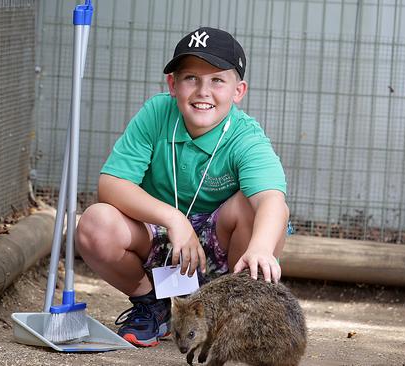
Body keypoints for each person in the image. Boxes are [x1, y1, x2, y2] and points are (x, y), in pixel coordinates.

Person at [76, 27, 289, 347]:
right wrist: (173, 219)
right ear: (173, 85)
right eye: (191, 78)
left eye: (217, 80)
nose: (203, 90)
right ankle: (153, 305)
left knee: (253, 208)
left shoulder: (245, 136)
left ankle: (230, 313)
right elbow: (111, 184)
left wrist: (259, 247)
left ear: (238, 90)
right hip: (160, 236)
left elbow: (272, 200)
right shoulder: (157, 114)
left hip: (218, 250)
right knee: (95, 222)